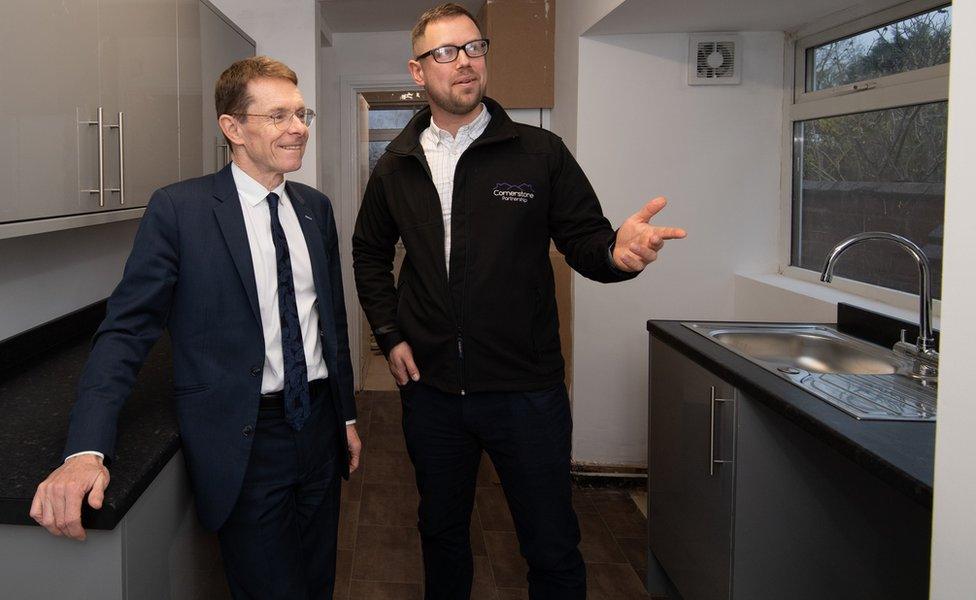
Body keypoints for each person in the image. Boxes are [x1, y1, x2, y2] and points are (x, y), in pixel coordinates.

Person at [352, 4, 687, 599]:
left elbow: (585, 240)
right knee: (441, 531)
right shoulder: (396, 166)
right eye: (446, 53)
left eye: (474, 48)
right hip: (431, 391)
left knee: (551, 543)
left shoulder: (539, 152)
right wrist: (389, 333)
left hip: (526, 391)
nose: (464, 62)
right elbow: (369, 254)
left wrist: (617, 254)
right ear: (418, 70)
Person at [29, 56, 360, 599]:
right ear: (233, 128)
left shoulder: (314, 209)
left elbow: (331, 322)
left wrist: (344, 413)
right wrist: (85, 450)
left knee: (317, 577)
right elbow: (126, 332)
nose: (299, 128)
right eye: (278, 116)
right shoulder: (180, 210)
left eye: (302, 114)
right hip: (246, 437)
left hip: (319, 428)